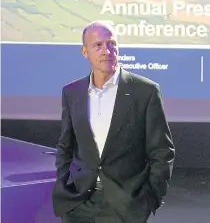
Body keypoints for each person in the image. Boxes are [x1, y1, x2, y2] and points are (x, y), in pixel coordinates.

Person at [52, 21, 175, 223]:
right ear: (85, 52)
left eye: (111, 43)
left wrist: (151, 198)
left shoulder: (145, 91)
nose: (106, 51)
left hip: (125, 205)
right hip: (79, 203)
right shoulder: (72, 92)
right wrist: (62, 184)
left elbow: (162, 151)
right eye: (98, 45)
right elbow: (66, 144)